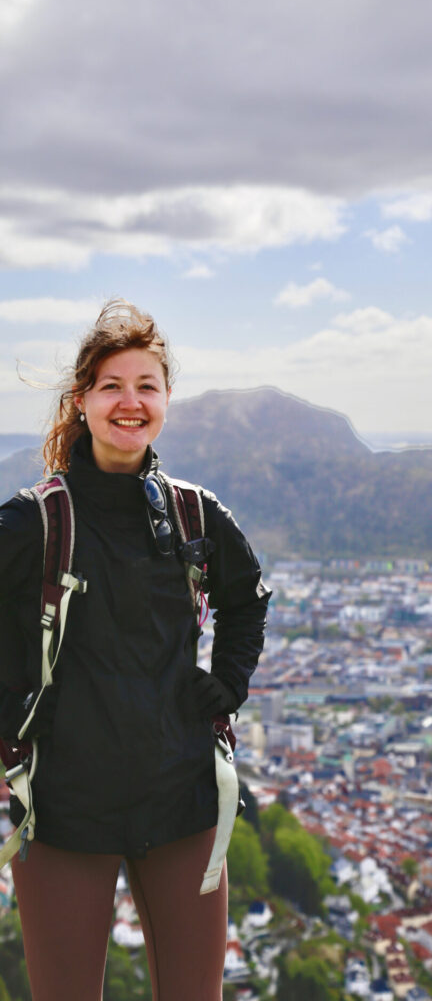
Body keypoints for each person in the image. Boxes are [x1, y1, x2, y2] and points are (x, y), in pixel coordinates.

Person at [0, 299, 270, 1000]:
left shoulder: (194, 514)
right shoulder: (34, 521)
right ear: (82, 401)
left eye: (146, 386)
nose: (130, 402)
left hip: (180, 798)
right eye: (112, 386)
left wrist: (228, 681)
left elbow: (247, 598)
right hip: (63, 809)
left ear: (165, 400)